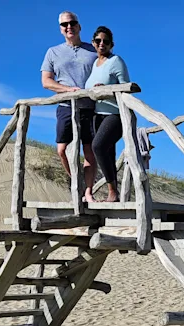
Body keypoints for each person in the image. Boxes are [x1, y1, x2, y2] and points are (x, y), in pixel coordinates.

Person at [40, 10, 98, 203]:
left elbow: (106, 70)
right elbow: (46, 81)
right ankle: (77, 182)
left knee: (90, 150)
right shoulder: (53, 52)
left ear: (79, 26)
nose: (69, 27)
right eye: (64, 24)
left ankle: (88, 192)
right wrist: (67, 90)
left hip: (91, 108)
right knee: (62, 150)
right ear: (60, 29)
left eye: (72, 23)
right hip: (66, 106)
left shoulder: (93, 50)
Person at [84, 26, 130, 202]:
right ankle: (114, 194)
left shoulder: (116, 61)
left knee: (98, 146)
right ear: (93, 43)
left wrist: (106, 90)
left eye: (106, 41)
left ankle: (112, 192)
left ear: (112, 44)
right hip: (98, 114)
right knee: (107, 152)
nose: (101, 44)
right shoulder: (95, 65)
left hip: (116, 114)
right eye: (98, 41)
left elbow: (126, 88)